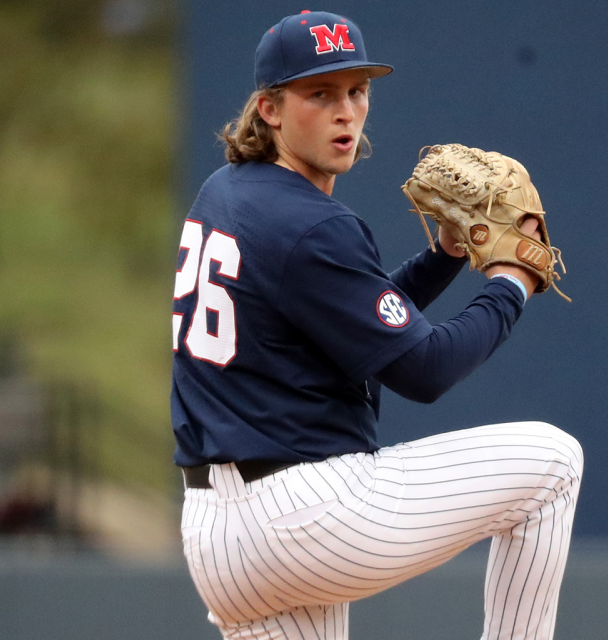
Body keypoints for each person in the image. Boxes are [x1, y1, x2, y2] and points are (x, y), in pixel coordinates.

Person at [170, 10, 582, 640]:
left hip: (218, 538)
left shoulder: (225, 193)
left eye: (356, 90)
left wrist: (444, 254)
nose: (345, 111)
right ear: (269, 110)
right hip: (307, 515)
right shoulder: (314, 225)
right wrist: (511, 281)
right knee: (553, 465)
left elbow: (352, 318)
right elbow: (425, 368)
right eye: (320, 93)